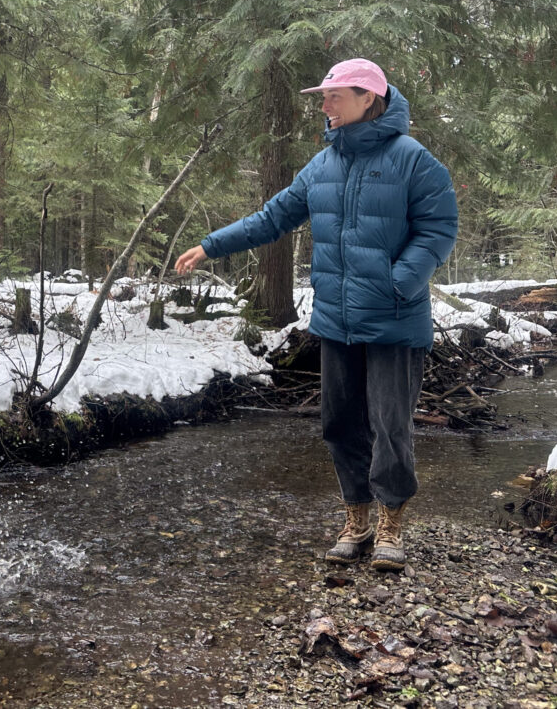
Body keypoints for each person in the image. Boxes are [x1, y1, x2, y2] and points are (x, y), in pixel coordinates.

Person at [175, 58, 457, 572]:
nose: (323, 105)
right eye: (322, 97)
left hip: (394, 319)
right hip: (336, 320)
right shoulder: (321, 166)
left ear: (368, 98)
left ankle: (392, 521)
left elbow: (438, 231)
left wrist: (399, 282)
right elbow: (272, 218)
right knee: (339, 423)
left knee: (390, 425)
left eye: (334, 96)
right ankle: (357, 519)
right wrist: (209, 246)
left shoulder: (414, 160)